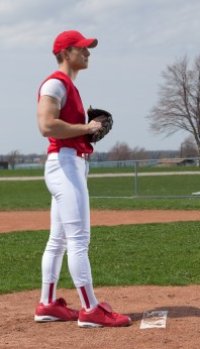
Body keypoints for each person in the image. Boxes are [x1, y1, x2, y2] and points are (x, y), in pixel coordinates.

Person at [34, 29, 131, 328]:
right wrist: (87, 129)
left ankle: (47, 304)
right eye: (82, 48)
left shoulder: (68, 86)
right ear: (66, 53)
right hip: (65, 165)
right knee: (78, 240)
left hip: (67, 164)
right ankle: (90, 309)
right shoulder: (56, 83)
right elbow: (47, 125)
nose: (87, 53)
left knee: (59, 239)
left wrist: (83, 126)